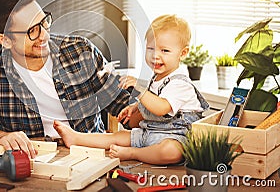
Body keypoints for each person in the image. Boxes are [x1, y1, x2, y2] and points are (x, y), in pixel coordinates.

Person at [0, 0, 130, 158]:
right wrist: (0, 136)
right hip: (33, 163)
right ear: (5, 40)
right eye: (32, 31)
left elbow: (123, 104)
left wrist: (151, 109)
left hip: (91, 155)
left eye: (44, 22)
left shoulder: (80, 51)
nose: (44, 35)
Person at [54, 14, 209, 165]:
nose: (155, 55)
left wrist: (139, 90)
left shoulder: (180, 84)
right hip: (151, 132)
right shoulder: (157, 78)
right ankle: (77, 138)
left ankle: (133, 153)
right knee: (118, 136)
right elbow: (153, 100)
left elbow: (161, 108)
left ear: (183, 53)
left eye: (165, 51)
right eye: (151, 48)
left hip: (175, 136)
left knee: (170, 151)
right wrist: (134, 107)